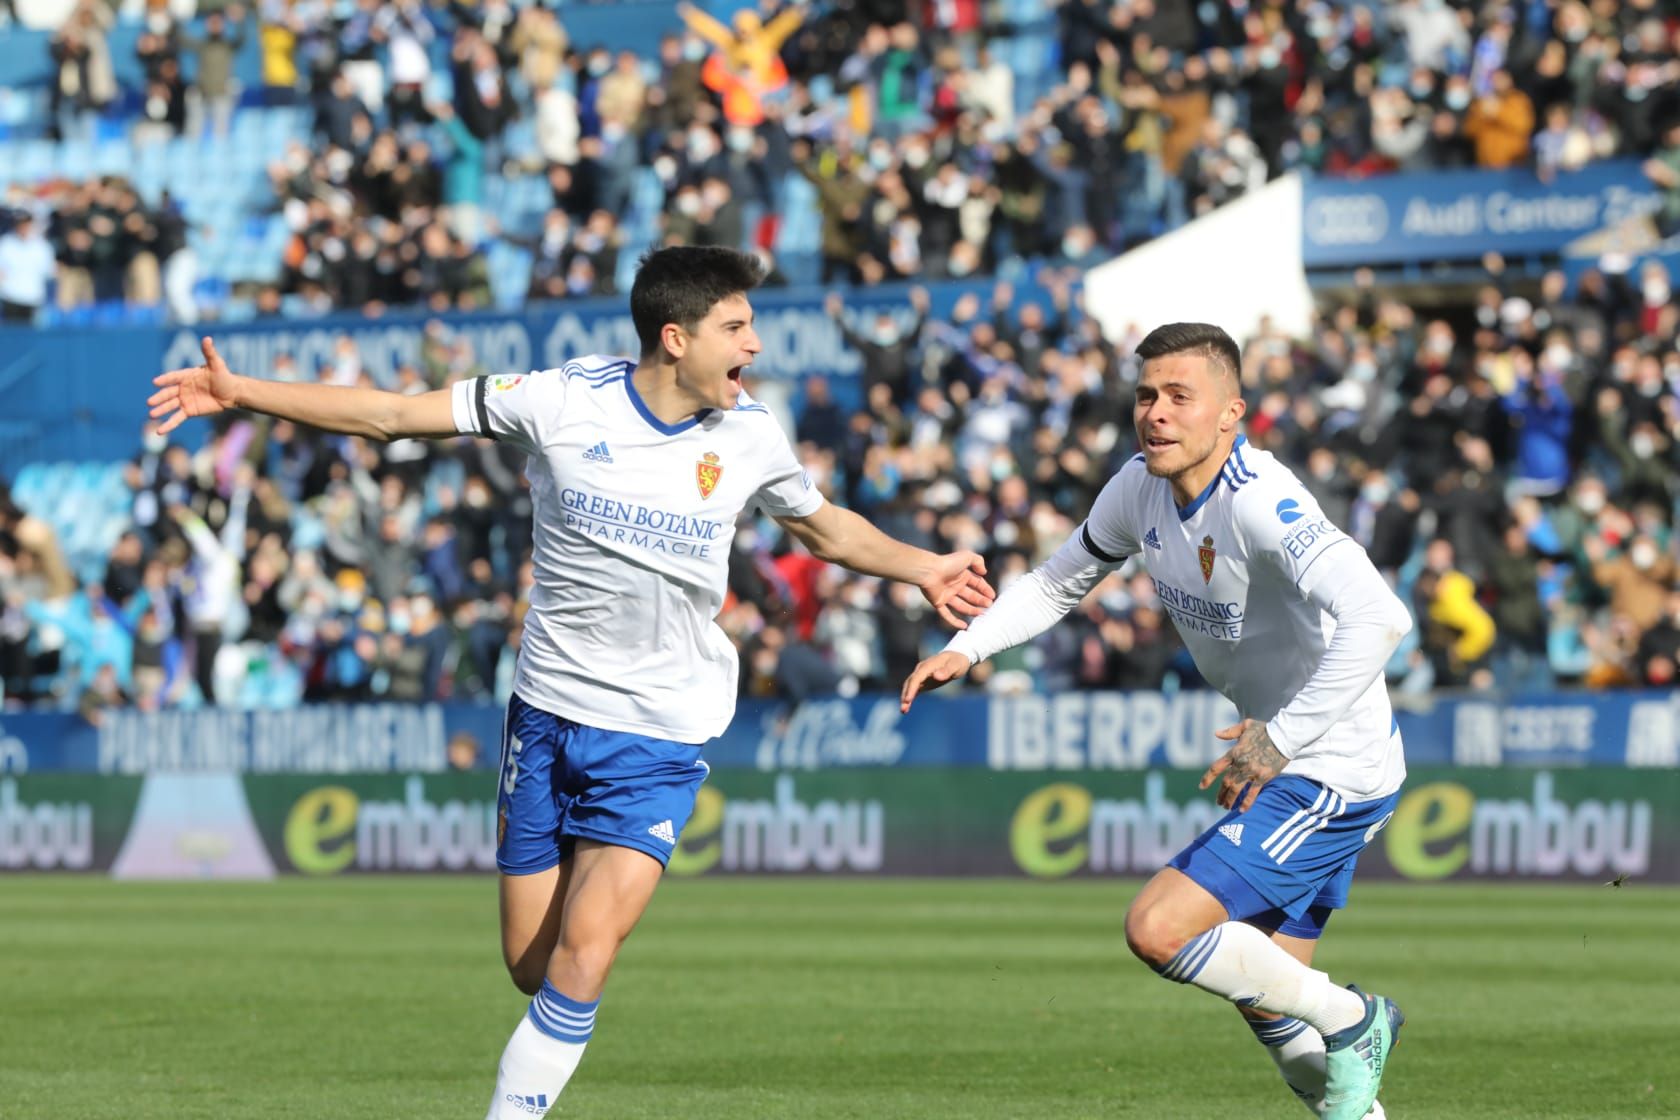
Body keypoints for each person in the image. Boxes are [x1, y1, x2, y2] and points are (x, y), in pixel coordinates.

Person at [147, 246, 993, 1119]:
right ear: (676, 338)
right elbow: (393, 415)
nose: (757, 344)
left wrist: (922, 566)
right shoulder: (558, 399)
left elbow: (826, 531)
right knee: (533, 964)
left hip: (660, 732)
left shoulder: (750, 434)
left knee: (586, 950)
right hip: (547, 712)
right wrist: (244, 392)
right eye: (737, 327)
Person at [901, 323, 1411, 1120]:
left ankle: (1360, 1016)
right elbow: (1058, 581)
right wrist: (969, 649)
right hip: (1291, 758)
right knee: (1271, 1002)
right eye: (1147, 395)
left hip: (1330, 768)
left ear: (1230, 413)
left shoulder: (1262, 500)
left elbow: (1380, 618)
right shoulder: (1138, 486)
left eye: (1181, 396)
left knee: (1159, 928)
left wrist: (1277, 738)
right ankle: (1355, 1097)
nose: (1157, 414)